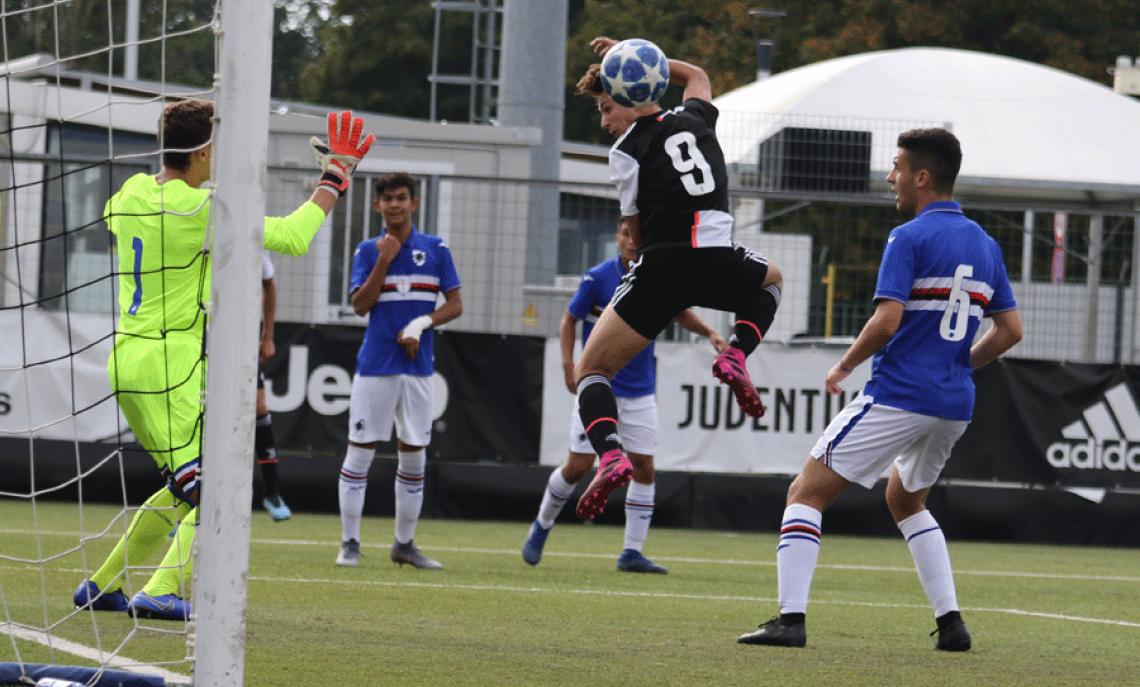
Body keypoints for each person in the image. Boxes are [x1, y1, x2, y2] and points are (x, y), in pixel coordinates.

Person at [73, 102, 374, 620]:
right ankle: (161, 589)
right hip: (170, 364)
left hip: (126, 361)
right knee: (217, 488)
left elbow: (139, 215)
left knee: (181, 486)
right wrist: (335, 177)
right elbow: (293, 237)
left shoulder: (129, 194)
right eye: (218, 144)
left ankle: (101, 586)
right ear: (202, 151)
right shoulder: (201, 211)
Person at [736, 128, 1023, 651]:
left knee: (805, 493)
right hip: (954, 403)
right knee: (906, 500)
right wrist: (959, 364)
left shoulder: (908, 237)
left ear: (922, 177)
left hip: (900, 395)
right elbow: (1010, 331)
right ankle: (952, 624)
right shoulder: (987, 245)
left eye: (897, 168)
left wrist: (844, 365)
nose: (891, 178)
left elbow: (886, 321)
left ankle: (790, 620)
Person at [571, 37, 785, 521]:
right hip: (715, 255)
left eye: (606, 109)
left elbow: (635, 230)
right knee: (771, 280)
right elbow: (698, 76)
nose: (604, 122)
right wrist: (638, 56)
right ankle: (736, 353)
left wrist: (622, 60)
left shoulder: (626, 150)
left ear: (624, 97)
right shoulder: (696, 119)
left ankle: (610, 455)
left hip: (663, 264)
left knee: (592, 371)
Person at [522, 218, 727, 573]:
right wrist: (569, 365)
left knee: (643, 467)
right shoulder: (597, 278)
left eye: (637, 235)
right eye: (626, 234)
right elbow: (570, 320)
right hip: (599, 388)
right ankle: (542, 524)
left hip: (640, 391)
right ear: (616, 237)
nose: (632, 241)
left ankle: (632, 552)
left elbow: (678, 311)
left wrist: (709, 331)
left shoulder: (656, 275)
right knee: (579, 466)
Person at [335, 173, 462, 570]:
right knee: (360, 451)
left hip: (418, 368)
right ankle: (349, 543)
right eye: (388, 199)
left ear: (414, 203)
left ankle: (404, 545)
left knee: (414, 454)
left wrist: (420, 325)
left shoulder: (436, 249)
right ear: (377, 205)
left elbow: (455, 304)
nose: (394, 205)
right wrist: (384, 260)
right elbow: (361, 306)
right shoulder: (367, 250)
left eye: (401, 198)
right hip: (376, 366)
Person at [257, 252, 291, 521]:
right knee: (197, 415)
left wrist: (268, 336)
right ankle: (186, 504)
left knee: (259, 408)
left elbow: (268, 284)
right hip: (193, 337)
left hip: (238, 337)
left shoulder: (249, 238)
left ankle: (272, 492)